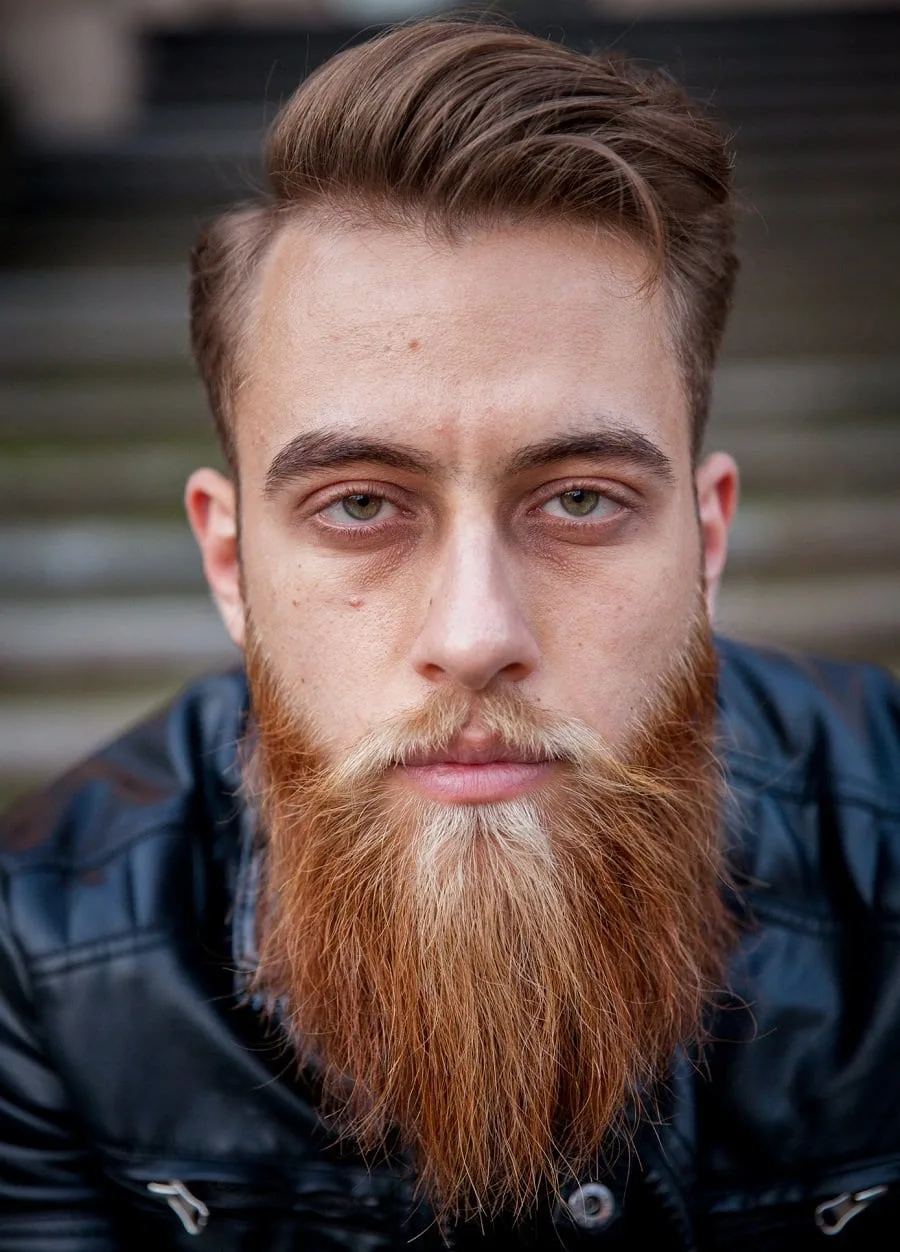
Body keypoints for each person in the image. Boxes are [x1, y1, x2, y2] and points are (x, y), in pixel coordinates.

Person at [1, 17, 898, 1251]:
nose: (476, 635)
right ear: (230, 561)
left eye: (581, 497)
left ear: (706, 538)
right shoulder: (48, 957)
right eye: (360, 504)